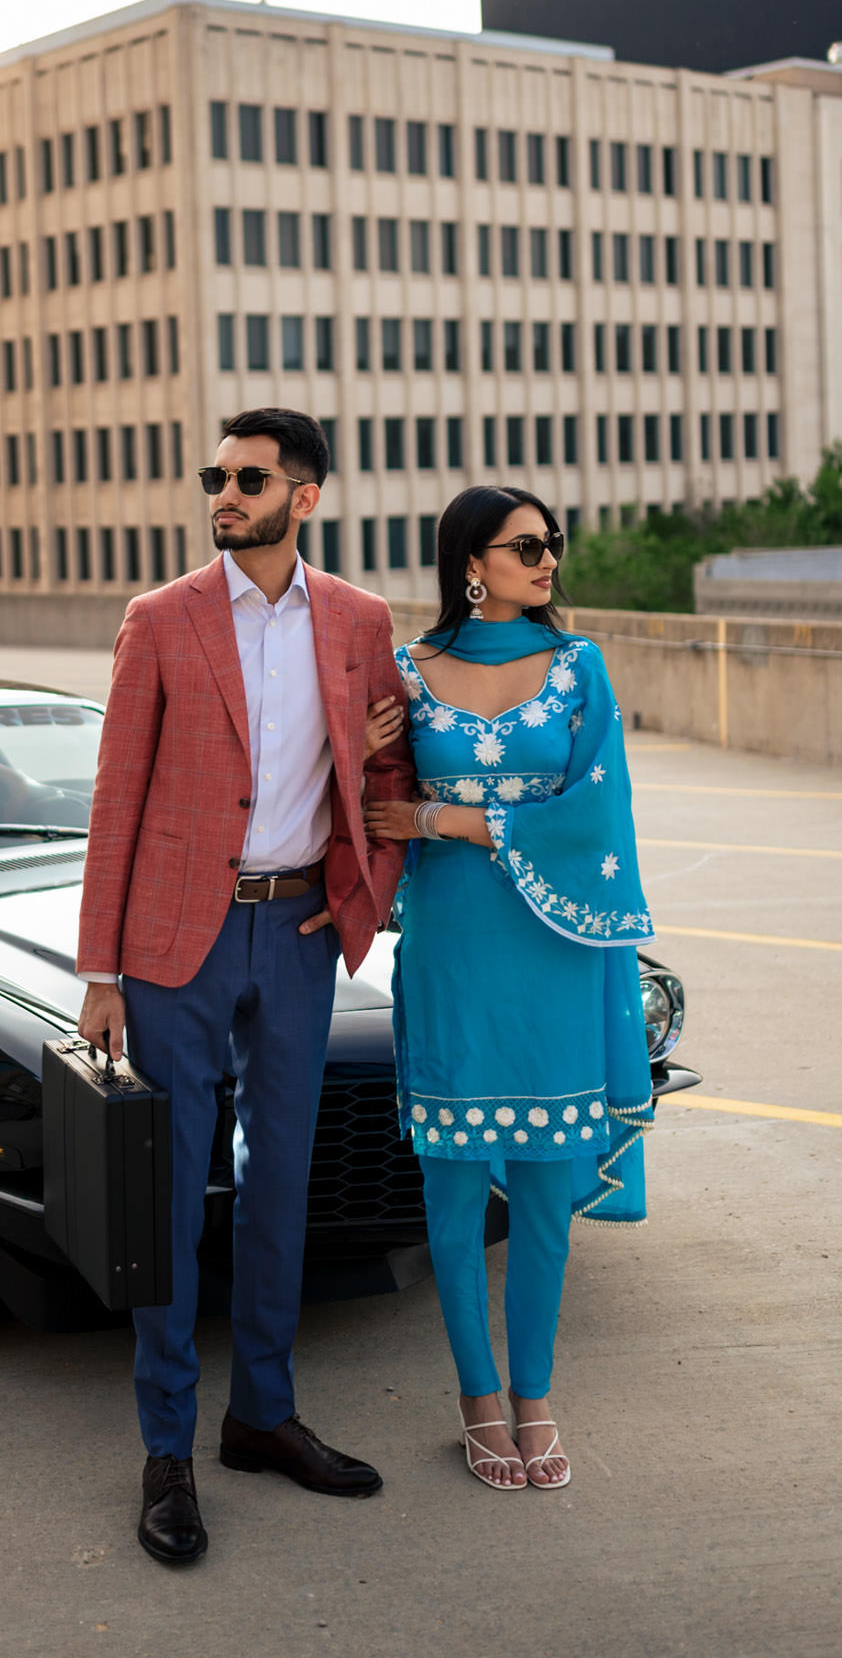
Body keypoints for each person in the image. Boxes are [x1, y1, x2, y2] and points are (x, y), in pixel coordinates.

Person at [76, 407, 414, 1566]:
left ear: (303, 496)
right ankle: (165, 1445)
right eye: (213, 475)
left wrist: (358, 883)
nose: (221, 492)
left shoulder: (360, 621)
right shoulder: (160, 619)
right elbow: (114, 800)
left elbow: (386, 772)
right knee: (168, 1195)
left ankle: (259, 1413)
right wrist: (99, 969)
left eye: (246, 477)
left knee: (281, 1182)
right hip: (179, 940)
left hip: (300, 932)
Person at [364, 486, 655, 1493]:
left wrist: (455, 822)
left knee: (541, 1185)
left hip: (557, 943)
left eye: (551, 544)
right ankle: (476, 1398)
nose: (546, 561)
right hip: (450, 944)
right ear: (468, 563)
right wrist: (368, 769)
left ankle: (533, 1393)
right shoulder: (405, 670)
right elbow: (372, 803)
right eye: (524, 545)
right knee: (450, 1184)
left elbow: (599, 812)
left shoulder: (579, 667)